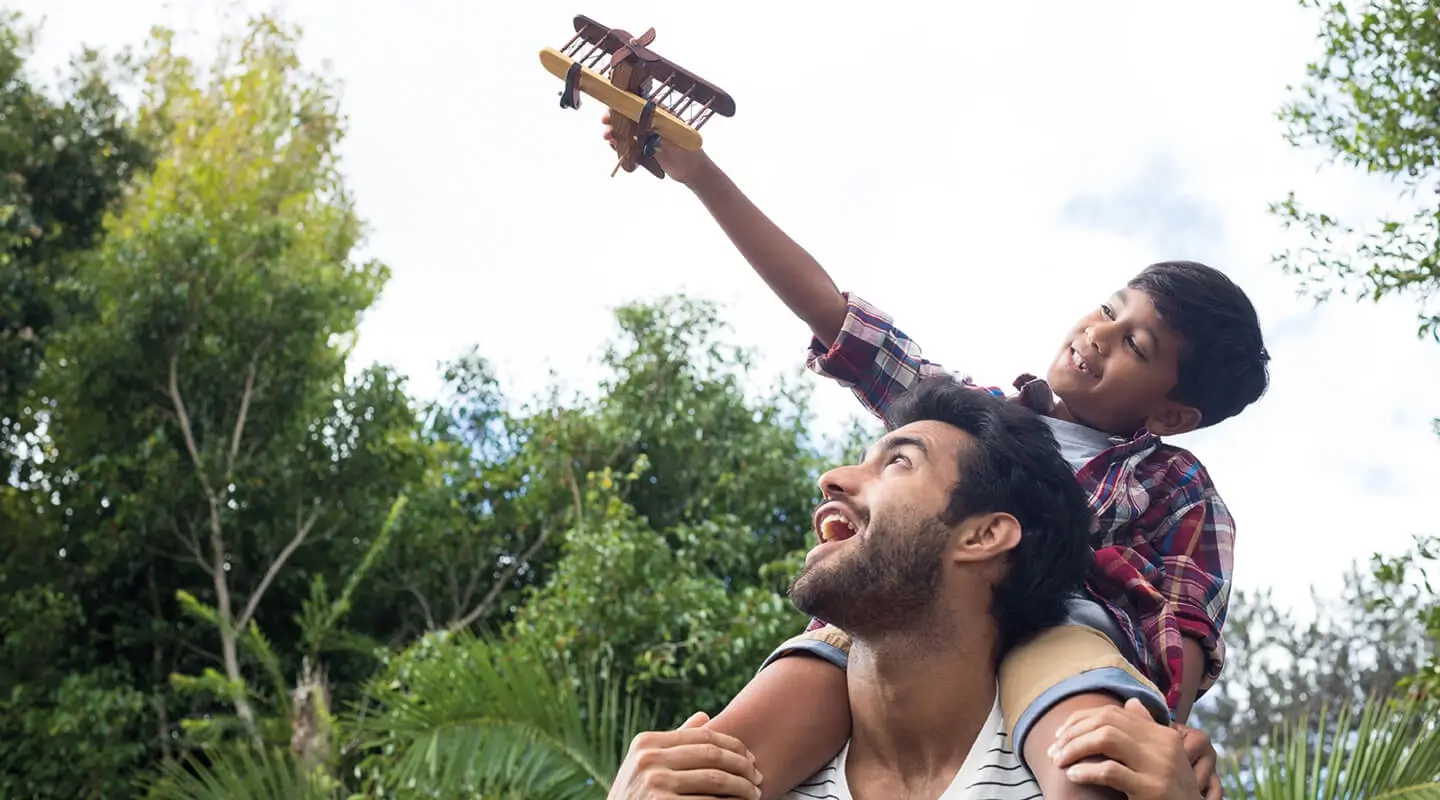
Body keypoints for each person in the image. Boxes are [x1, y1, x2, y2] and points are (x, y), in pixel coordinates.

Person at [600, 114, 1263, 800]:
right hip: (903, 610)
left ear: (1171, 414)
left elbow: (1182, 622)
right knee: (725, 756)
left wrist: (1167, 732)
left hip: (1065, 627)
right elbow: (839, 320)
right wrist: (699, 171)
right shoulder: (967, 422)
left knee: (1099, 760)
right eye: (1108, 310)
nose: (1099, 335)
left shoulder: (1175, 483)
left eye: (1136, 346)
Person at [606, 379, 1209, 800]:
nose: (831, 478)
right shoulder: (728, 778)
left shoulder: (1095, 759)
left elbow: (1188, 617)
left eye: (896, 463)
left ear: (985, 535)